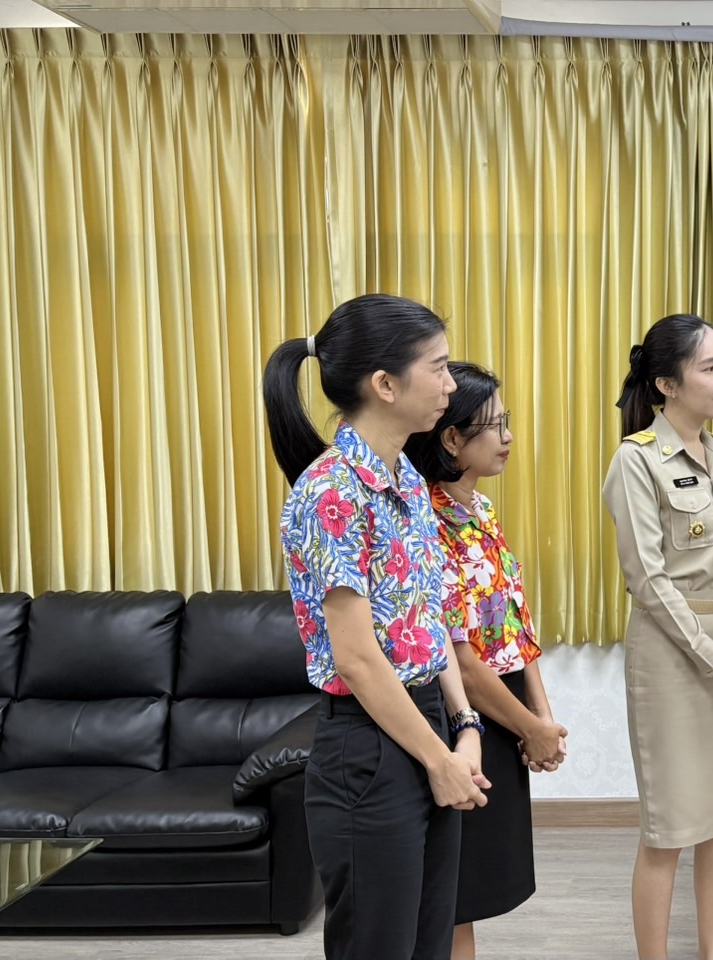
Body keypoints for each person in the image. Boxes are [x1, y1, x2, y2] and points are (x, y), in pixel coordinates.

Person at [262, 294, 491, 960]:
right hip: (368, 748)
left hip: (427, 731)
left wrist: (465, 727)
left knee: (428, 947)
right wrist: (436, 757)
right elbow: (358, 661)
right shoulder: (330, 491)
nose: (451, 384)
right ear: (385, 385)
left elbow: (433, 618)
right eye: (439, 367)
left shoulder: (409, 482)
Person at [601, 313, 713, 960]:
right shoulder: (636, 462)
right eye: (709, 367)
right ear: (666, 385)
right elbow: (649, 582)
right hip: (676, 662)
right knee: (670, 828)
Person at [406, 362, 568, 960]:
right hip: (462, 714)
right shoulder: (427, 520)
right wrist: (529, 726)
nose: (507, 437)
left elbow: (516, 625)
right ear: (452, 439)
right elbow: (462, 660)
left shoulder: (481, 511)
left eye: (507, 423)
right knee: (454, 898)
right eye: (493, 425)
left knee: (471, 892)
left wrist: (541, 720)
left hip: (507, 713)